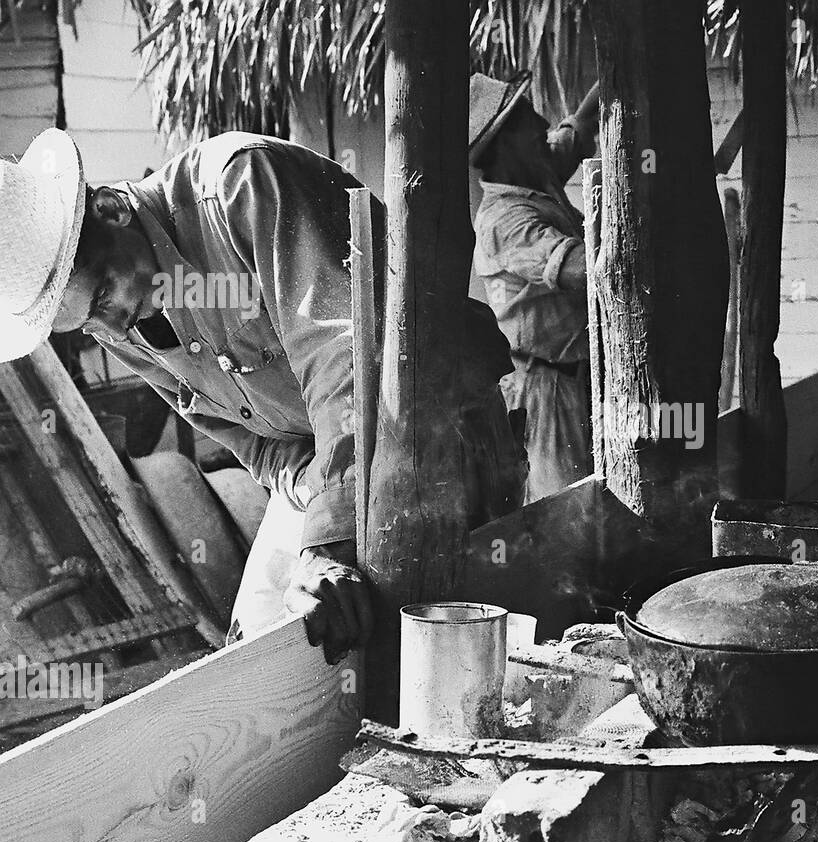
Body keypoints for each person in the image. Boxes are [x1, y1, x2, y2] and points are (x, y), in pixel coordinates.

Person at [0, 129, 522, 664]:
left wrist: (326, 539)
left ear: (111, 210)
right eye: (88, 322)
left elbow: (346, 361)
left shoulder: (242, 186)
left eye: (104, 293)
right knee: (263, 648)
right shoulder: (120, 326)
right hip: (331, 466)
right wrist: (310, 494)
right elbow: (253, 442)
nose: (113, 325)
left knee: (438, 642)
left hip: (432, 425)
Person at [470, 73, 599, 502]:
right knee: (565, 511)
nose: (544, 123)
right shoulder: (504, 220)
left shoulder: (536, 171)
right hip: (544, 392)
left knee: (603, 506)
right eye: (528, 118)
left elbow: (580, 124)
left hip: (579, 379)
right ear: (504, 143)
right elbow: (591, 269)